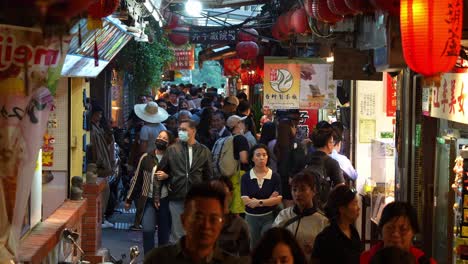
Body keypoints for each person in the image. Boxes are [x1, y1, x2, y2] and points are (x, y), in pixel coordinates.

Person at [144, 183, 245, 263]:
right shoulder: (157, 260)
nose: (206, 225)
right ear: (183, 220)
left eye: (213, 219)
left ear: (222, 223)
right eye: (198, 217)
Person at [155, 120, 214, 242]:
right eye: (179, 129)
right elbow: (159, 173)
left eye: (184, 129)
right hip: (177, 196)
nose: (181, 132)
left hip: (196, 198)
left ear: (193, 131)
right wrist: (157, 195)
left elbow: (208, 177)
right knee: (177, 233)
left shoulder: (204, 151)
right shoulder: (172, 150)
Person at [125, 130, 175, 255]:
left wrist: (167, 176)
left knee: (164, 235)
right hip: (148, 200)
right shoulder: (146, 158)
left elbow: (179, 177)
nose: (160, 139)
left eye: (164, 138)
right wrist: (128, 199)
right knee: (147, 231)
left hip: (165, 201)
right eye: (159, 137)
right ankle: (149, 258)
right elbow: (137, 179)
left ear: (169, 143)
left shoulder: (172, 159)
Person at [273, 170, 328, 257]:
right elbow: (273, 241)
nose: (297, 194)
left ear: (314, 191)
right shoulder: (283, 215)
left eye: (303, 189)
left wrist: (315, 251)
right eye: (294, 189)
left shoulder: (323, 221)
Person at [360, 202, 436, 264]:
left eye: (403, 229)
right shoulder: (365, 260)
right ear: (381, 230)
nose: (395, 234)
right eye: (390, 228)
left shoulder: (425, 262)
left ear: (413, 232)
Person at [241, 144, 282, 248]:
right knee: (253, 246)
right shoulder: (246, 177)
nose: (262, 158)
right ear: (252, 158)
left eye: (264, 155)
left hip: (269, 216)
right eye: (258, 155)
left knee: (268, 246)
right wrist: (268, 200)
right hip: (251, 218)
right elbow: (246, 200)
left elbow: (278, 199)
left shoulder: (275, 176)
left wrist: (258, 202)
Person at [311, 185, 363, 263]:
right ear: (341, 209)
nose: (358, 208)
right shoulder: (325, 238)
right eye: (354, 203)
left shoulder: (354, 232)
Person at [211, 176, 250, 257]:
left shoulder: (239, 225)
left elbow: (245, 258)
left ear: (231, 194)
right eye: (213, 194)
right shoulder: (204, 223)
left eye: (222, 193)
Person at [306, 127, 345, 209]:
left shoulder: (306, 159)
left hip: (305, 205)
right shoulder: (332, 163)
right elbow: (341, 188)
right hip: (323, 207)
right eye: (332, 141)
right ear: (328, 143)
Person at [89, 103, 114, 229]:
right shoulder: (93, 129)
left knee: (105, 191)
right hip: (100, 166)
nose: (100, 116)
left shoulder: (97, 127)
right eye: (98, 114)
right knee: (104, 191)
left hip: (102, 165)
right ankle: (101, 218)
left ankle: (102, 218)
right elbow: (98, 150)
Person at [275, 118, 308, 208]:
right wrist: (292, 175)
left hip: (282, 177)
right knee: (292, 204)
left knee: (286, 203)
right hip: (291, 178)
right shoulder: (295, 144)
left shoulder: (278, 144)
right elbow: (300, 161)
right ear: (291, 129)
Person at [225, 115, 251, 214]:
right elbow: (244, 159)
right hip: (239, 175)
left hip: (230, 175)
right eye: (242, 122)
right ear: (238, 124)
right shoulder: (241, 139)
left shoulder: (228, 138)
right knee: (238, 208)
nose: (244, 125)